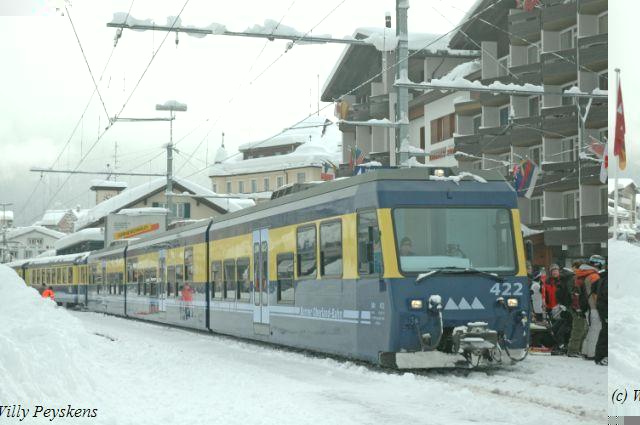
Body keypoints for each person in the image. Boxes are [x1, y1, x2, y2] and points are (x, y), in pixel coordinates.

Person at [566, 260, 595, 357]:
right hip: (578, 308)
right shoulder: (576, 279)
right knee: (578, 329)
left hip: (579, 307)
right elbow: (575, 295)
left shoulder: (577, 278)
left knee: (583, 329)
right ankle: (573, 350)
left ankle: (577, 349)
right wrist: (578, 308)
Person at [581, 255, 605, 359]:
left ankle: (585, 351)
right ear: (598, 263)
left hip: (588, 306)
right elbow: (596, 293)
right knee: (596, 330)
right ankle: (592, 353)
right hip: (594, 307)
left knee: (591, 330)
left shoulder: (586, 274)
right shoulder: (594, 276)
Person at [594, 268, 607, 365]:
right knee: (605, 333)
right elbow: (606, 295)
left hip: (602, 308)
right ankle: (601, 357)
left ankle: (600, 357)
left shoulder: (602, 278)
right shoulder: (606, 279)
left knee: (604, 332)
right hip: (605, 309)